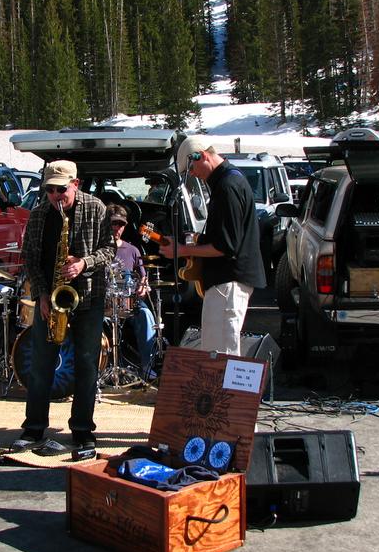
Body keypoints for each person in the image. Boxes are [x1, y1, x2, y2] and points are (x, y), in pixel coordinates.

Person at [14, 160, 115, 451]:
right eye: (50, 190)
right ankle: (34, 428)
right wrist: (43, 295)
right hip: (51, 298)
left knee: (86, 365)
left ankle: (82, 430)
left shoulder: (96, 208)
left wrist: (84, 263)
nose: (56, 196)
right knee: (41, 365)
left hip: (88, 296)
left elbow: (109, 249)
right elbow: (30, 259)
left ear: (76, 184)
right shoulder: (39, 215)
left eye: (61, 189)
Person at [160, 141, 266, 355]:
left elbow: (226, 246)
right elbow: (226, 238)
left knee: (221, 355)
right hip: (227, 282)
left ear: (202, 156)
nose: (192, 174)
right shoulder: (228, 182)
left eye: (191, 168)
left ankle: (226, 390)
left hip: (229, 282)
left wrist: (183, 250)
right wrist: (197, 240)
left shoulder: (227, 186)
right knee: (216, 352)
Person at [107, 204, 159, 379]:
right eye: (113, 223)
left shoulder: (132, 250)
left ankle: (146, 366)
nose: (117, 228)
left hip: (128, 301)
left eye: (120, 225)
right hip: (104, 301)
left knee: (146, 315)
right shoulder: (98, 250)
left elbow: (143, 278)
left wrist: (143, 286)